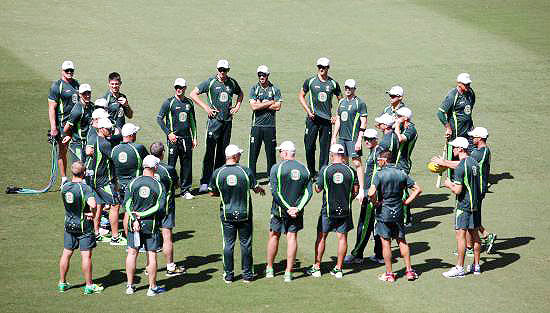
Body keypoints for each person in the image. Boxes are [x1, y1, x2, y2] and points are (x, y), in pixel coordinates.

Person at [431, 127, 496, 254]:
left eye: (474, 137)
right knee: (473, 218)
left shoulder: (478, 153)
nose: (472, 139)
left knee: (469, 218)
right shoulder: (482, 151)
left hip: (475, 190)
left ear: (480, 138)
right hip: (476, 188)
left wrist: (443, 163)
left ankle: (470, 247)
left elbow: (462, 164)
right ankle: (486, 237)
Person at [208, 144, 265, 283]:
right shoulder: (245, 171)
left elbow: (211, 192)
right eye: (239, 154)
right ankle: (247, 275)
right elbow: (255, 187)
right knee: (246, 244)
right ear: (234, 156)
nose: (240, 155)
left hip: (227, 214)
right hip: (244, 213)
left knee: (228, 244)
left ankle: (229, 275)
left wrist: (223, 194)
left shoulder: (218, 172)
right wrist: (261, 190)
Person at [368, 150, 422, 282]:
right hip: (398, 212)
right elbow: (418, 189)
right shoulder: (401, 173)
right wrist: (406, 202)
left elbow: (371, 192)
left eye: (379, 160)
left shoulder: (379, 175)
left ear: (384, 160)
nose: (378, 162)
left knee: (386, 243)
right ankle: (409, 271)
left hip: (383, 213)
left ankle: (389, 274)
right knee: (401, 240)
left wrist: (375, 202)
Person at [190, 60, 243, 193]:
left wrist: (237, 106)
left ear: (228, 70)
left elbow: (240, 94)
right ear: (217, 69)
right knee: (209, 153)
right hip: (214, 123)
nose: (222, 72)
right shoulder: (210, 82)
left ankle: (217, 180)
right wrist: (206, 108)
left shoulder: (232, 83)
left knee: (222, 153)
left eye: (224, 70)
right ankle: (205, 181)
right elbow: (193, 94)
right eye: (220, 69)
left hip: (227, 122)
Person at [307, 144, 358, 279]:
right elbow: (356, 191)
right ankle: (339, 268)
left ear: (331, 155)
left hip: (328, 210)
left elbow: (318, 189)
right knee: (342, 238)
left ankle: (317, 267)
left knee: (321, 237)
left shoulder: (326, 170)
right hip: (345, 210)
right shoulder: (351, 171)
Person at [266, 141, 312, 282]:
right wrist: (297, 208)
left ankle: (270, 268)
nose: (279, 154)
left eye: (280, 151)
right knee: (292, 238)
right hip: (296, 213)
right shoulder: (304, 169)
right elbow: (308, 192)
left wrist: (287, 208)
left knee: (274, 236)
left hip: (279, 211)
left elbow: (275, 192)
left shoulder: (277, 168)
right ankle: (288, 272)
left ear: (286, 153)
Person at [58, 161, 103, 294]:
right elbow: (93, 204)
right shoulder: (85, 188)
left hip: (69, 224)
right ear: (83, 173)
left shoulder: (65, 186)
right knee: (86, 256)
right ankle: (89, 285)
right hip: (83, 226)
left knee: (66, 253)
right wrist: (92, 214)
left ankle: (62, 283)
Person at [124, 155, 167, 296]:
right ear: (155, 168)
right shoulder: (159, 185)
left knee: (132, 253)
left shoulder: (133, 183)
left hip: (133, 224)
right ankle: (152, 288)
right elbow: (159, 207)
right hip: (151, 224)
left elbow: (127, 205)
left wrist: (134, 218)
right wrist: (143, 215)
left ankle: (130, 286)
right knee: (152, 254)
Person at [440, 137, 482, 278]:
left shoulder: (460, 167)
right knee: (475, 235)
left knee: (461, 236)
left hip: (463, 206)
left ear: (460, 149)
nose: (453, 150)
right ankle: (476, 266)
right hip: (475, 205)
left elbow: (457, 190)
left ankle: (459, 267)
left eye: (454, 147)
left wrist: (448, 184)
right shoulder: (473, 162)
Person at [344, 129, 384, 265]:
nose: (366, 141)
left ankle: (357, 254)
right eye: (365, 138)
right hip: (373, 194)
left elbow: (377, 176)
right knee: (375, 225)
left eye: (370, 139)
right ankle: (379, 255)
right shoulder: (376, 151)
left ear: (376, 139)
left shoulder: (377, 153)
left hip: (372, 196)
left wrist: (369, 193)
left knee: (364, 225)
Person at [298, 57, 342, 178]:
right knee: (309, 146)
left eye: (324, 67)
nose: (321, 69)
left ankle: (322, 173)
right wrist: (308, 111)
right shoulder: (310, 81)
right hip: (312, 119)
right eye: (319, 67)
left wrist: (336, 116)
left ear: (328, 68)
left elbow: (341, 101)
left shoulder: (333, 83)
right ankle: (311, 172)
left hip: (326, 121)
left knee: (324, 148)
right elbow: (301, 96)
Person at [149, 142, 187, 276]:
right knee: (167, 237)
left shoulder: (147, 168)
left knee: (150, 237)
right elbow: (177, 185)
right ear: (162, 153)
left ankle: (150, 267)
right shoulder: (168, 169)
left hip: (150, 208)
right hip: (166, 208)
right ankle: (170, 267)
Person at [157, 78, 197, 200]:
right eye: (177, 87)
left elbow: (192, 121)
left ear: (185, 88)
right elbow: (159, 118)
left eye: (181, 87)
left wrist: (194, 137)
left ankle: (185, 189)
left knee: (187, 165)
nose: (179, 89)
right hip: (174, 139)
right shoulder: (169, 102)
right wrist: (169, 133)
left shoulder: (189, 103)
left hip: (187, 139)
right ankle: (169, 189)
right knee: (171, 165)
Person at [88, 118, 124, 245]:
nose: (111, 131)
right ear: (101, 129)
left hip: (95, 180)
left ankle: (96, 233)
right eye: (108, 129)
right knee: (115, 205)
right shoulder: (105, 144)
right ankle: (115, 237)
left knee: (99, 206)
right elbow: (115, 159)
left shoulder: (95, 139)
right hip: (104, 181)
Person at [331, 78, 367, 201]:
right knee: (344, 163)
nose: (347, 89)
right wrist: (334, 137)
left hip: (353, 138)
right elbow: (338, 119)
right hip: (342, 138)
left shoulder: (359, 103)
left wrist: (359, 140)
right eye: (346, 87)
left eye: (350, 88)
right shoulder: (341, 102)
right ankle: (348, 186)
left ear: (354, 89)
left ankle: (361, 188)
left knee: (357, 163)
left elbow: (364, 122)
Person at [111, 123, 148, 236]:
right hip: (133, 185)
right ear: (131, 135)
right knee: (129, 210)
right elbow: (147, 162)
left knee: (115, 208)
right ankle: (129, 237)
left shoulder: (114, 149)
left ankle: (115, 236)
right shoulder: (138, 148)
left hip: (117, 185)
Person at [437, 73, 476, 177]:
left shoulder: (471, 93)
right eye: (466, 84)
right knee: (454, 155)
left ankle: (469, 175)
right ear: (459, 84)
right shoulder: (452, 95)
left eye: (469, 84)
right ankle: (452, 178)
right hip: (456, 132)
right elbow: (440, 113)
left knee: (471, 153)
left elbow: (470, 109)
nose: (468, 86)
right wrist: (448, 128)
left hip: (469, 131)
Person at [48, 60, 80, 186]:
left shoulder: (77, 84)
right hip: (63, 126)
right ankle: (64, 179)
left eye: (71, 70)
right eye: (67, 70)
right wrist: (53, 127)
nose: (69, 72)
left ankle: (77, 177)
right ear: (62, 71)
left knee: (77, 151)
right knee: (63, 152)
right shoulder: (57, 86)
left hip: (76, 125)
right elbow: (52, 108)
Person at [248, 65, 282, 179]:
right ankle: (252, 177)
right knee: (253, 154)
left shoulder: (275, 89)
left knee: (271, 154)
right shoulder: (254, 88)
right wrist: (269, 102)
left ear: (268, 75)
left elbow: (278, 107)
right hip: (256, 126)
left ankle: (271, 176)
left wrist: (260, 103)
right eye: (259, 75)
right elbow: (254, 107)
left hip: (270, 126)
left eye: (263, 75)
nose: (261, 77)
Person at [393, 107, 418, 225]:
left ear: (406, 118)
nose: (396, 118)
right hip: (396, 162)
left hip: (403, 164)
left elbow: (400, 138)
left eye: (399, 116)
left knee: (402, 191)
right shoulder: (404, 127)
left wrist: (397, 125)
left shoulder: (411, 129)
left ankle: (406, 218)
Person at [62, 84, 94, 164]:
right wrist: (69, 135)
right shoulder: (77, 110)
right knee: (79, 168)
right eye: (84, 94)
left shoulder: (92, 106)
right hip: (78, 144)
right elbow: (66, 128)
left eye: (88, 93)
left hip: (88, 143)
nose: (87, 96)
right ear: (80, 94)